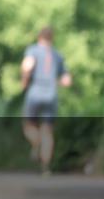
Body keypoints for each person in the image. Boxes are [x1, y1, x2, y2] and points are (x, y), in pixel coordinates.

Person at [21, 26, 71, 174]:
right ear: (52, 38)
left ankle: (36, 143)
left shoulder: (33, 50)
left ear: (39, 37)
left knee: (28, 124)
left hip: (35, 92)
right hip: (51, 95)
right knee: (48, 131)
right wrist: (55, 81)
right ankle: (45, 168)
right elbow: (67, 80)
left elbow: (27, 66)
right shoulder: (57, 55)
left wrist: (24, 82)